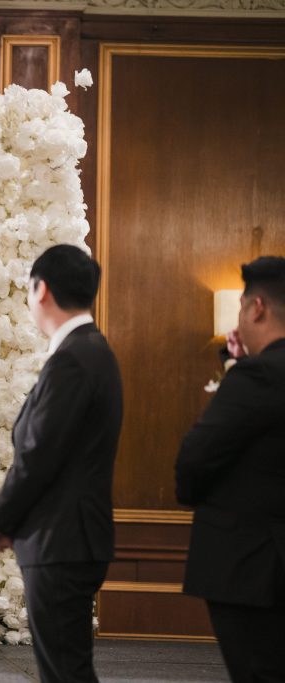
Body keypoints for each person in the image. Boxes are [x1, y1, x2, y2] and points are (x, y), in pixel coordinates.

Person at [0, 245, 123, 683]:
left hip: (61, 538)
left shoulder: (73, 359)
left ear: (40, 289)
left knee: (66, 673)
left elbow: (38, 455)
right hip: (69, 536)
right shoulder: (90, 350)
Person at [176, 256, 285, 683]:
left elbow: (195, 459)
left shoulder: (259, 376)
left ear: (257, 307)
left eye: (241, 308)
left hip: (254, 566)